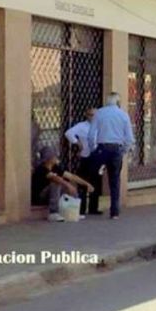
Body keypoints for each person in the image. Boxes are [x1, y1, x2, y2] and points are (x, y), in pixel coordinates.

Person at [88, 92, 135, 220]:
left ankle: (92, 206)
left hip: (102, 148)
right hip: (116, 150)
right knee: (115, 180)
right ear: (118, 102)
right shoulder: (123, 115)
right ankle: (114, 212)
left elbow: (91, 134)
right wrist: (123, 150)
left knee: (95, 176)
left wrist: (93, 149)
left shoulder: (99, 113)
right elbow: (129, 138)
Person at [31, 146, 94, 222]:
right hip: (40, 197)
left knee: (69, 186)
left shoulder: (55, 167)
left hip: (52, 195)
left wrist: (86, 184)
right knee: (56, 183)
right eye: (54, 156)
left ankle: (73, 210)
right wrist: (68, 185)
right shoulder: (41, 169)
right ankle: (53, 213)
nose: (56, 158)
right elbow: (55, 178)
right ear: (49, 158)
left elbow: (71, 176)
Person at [64, 108, 102, 216]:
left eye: (94, 115)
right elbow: (68, 133)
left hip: (97, 157)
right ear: (86, 115)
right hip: (85, 157)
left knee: (96, 182)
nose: (92, 117)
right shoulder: (81, 126)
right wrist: (77, 142)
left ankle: (93, 208)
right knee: (83, 182)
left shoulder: (101, 126)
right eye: (90, 115)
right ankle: (81, 208)